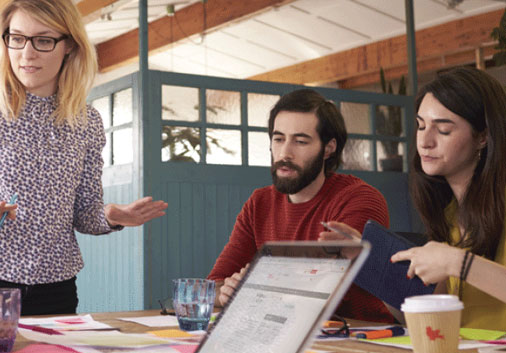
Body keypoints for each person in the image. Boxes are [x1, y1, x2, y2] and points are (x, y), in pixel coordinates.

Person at [0, 0, 168, 315]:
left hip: (57, 288)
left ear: (70, 47)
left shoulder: (86, 121)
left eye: (44, 40)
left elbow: (83, 213)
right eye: (17, 38)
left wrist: (111, 216)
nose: (27, 53)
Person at [329, 67, 506, 329]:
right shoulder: (448, 214)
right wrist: (370, 262)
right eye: (421, 126)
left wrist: (456, 262)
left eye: (443, 129)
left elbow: (456, 265)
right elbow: (430, 318)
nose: (425, 141)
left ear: (483, 137)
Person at [207, 88, 395, 323]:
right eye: (278, 139)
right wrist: (227, 293)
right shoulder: (259, 203)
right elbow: (212, 286)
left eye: (300, 141)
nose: (285, 153)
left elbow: (318, 292)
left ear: (329, 148)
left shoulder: (359, 198)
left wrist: (254, 288)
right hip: (286, 335)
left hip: (365, 339)